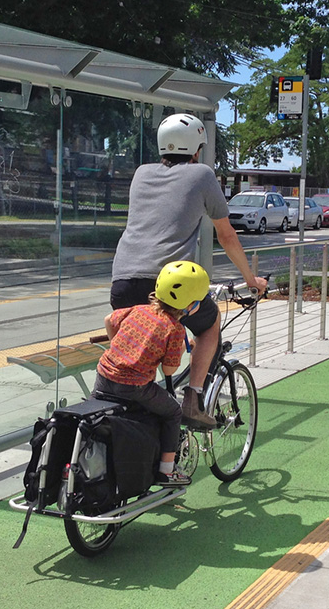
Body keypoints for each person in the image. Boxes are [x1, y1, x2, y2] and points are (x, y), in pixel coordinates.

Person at [110, 113, 267, 429]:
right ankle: (193, 400)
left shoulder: (141, 174)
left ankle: (144, 404)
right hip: (169, 284)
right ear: (197, 146)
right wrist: (251, 280)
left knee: (149, 336)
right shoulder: (202, 175)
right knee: (209, 325)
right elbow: (226, 235)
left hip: (123, 280)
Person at [94, 261, 210, 486]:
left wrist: (117, 345)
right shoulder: (175, 329)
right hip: (135, 387)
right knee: (173, 412)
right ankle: (166, 471)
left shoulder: (139, 310)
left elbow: (109, 320)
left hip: (104, 375)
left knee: (95, 416)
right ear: (190, 305)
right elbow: (168, 370)